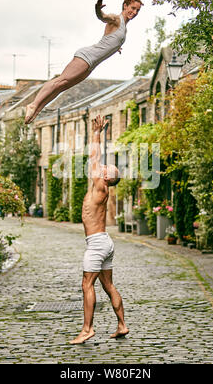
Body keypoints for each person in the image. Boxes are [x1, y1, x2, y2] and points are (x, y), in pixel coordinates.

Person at [24, 0, 143, 124]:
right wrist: (98, 9)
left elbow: (108, 40)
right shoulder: (116, 19)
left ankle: (37, 110)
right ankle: (33, 104)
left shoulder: (124, 28)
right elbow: (103, 17)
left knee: (62, 87)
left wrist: (116, 47)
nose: (134, 12)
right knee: (60, 80)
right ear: (125, 6)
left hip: (91, 64)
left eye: (137, 10)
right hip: (87, 56)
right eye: (132, 8)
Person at [69, 115, 129, 345]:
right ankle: (122, 325)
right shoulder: (102, 188)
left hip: (96, 243)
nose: (101, 168)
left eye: (105, 168)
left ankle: (87, 329)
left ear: (105, 177)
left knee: (87, 284)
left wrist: (96, 133)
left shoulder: (100, 185)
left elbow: (94, 157)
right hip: (104, 241)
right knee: (108, 284)